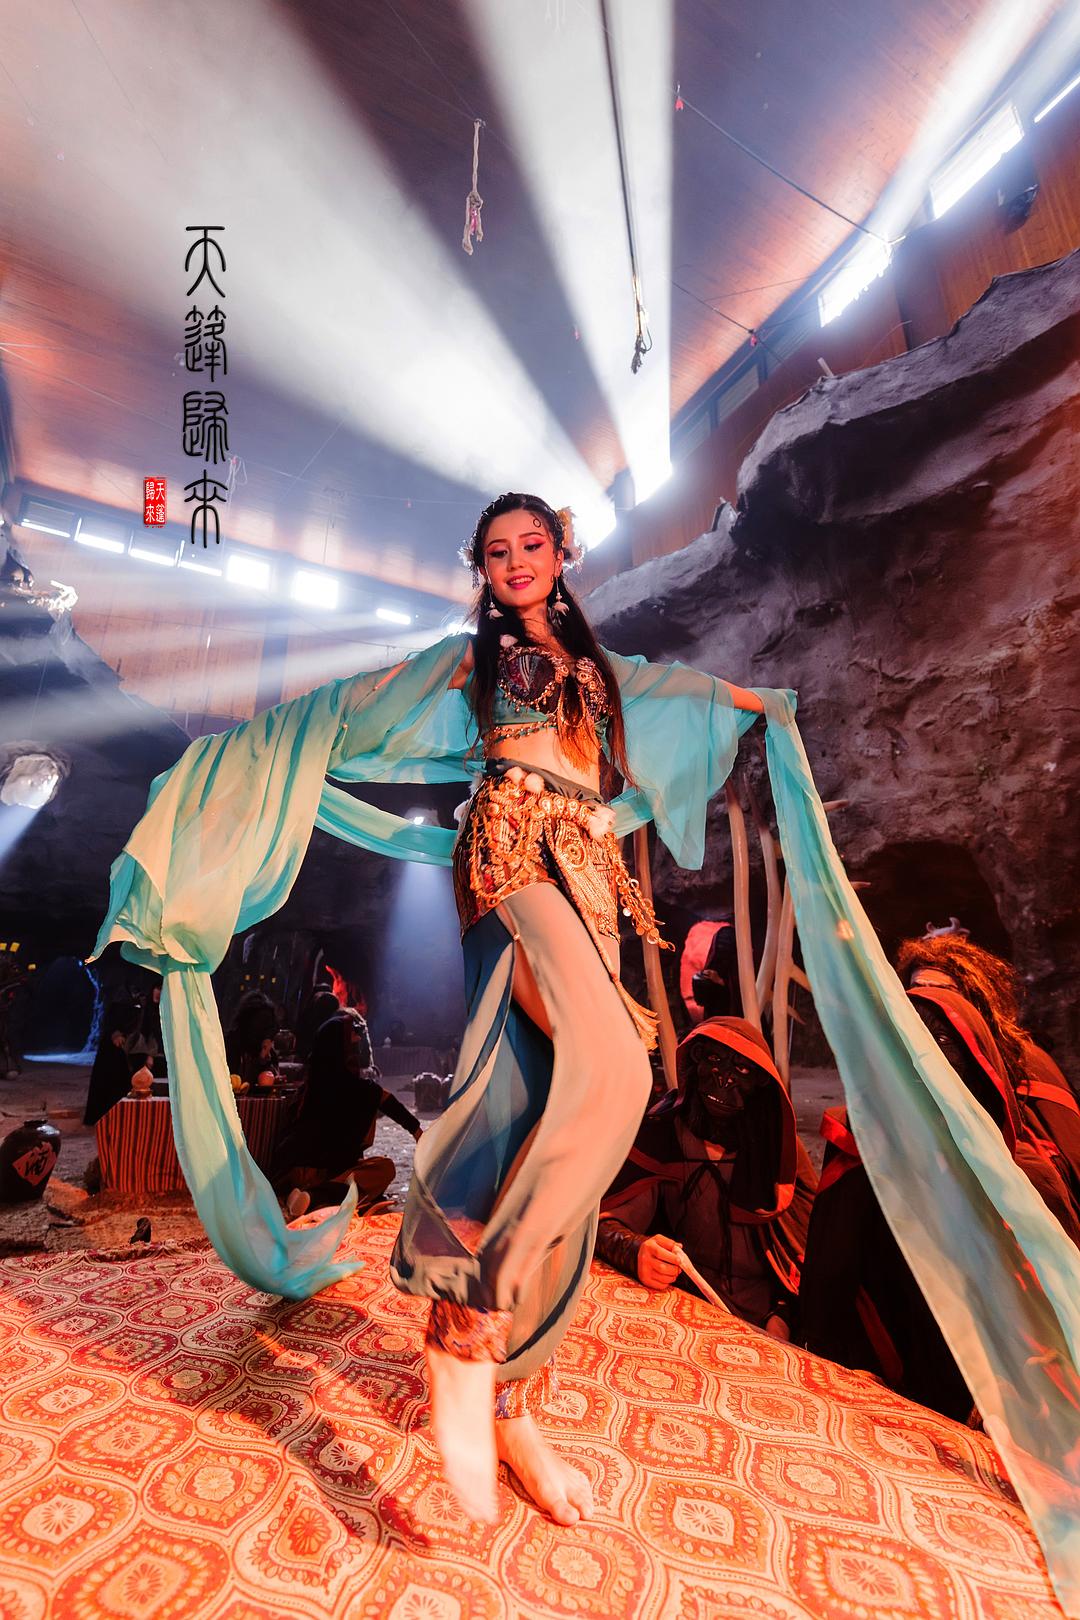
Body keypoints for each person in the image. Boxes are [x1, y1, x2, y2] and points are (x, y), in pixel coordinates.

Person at [91, 492, 1080, 1599]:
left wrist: (758, 701)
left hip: (594, 877)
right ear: (482, 568)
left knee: (558, 1111)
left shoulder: (604, 668)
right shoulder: (468, 663)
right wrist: (239, 750)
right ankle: (471, 1320)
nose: (516, 562)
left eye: (532, 545)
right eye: (497, 552)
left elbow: (675, 693)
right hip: (512, 853)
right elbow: (351, 705)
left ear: (562, 552)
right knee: (610, 1067)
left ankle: (514, 1399)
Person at [799, 984, 1079, 1419]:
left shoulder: (1024, 1184)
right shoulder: (859, 1170)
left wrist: (1023, 1392)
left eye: (942, 1038)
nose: (922, 1052)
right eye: (907, 1034)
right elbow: (828, 1298)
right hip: (882, 1403)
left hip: (995, 1411)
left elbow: (1058, 1315)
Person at [596, 1017, 816, 1336]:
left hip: (765, 1314)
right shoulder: (665, 1134)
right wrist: (636, 1251)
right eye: (714, 1059)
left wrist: (785, 1313)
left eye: (741, 1069)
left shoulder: (778, 1151)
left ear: (760, 1084)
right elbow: (602, 1222)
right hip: (683, 1300)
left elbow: (810, 1255)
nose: (723, 1079)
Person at [897, 932, 1080, 1210]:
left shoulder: (1024, 1059)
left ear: (974, 998)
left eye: (944, 990)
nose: (928, 998)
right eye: (918, 988)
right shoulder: (903, 1050)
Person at [275, 1009, 421, 1218]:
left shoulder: (311, 1086)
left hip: (296, 1173)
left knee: (363, 1172)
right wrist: (417, 1132)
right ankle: (316, 1197)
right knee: (384, 1169)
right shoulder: (360, 1089)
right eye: (353, 1036)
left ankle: (304, 1195)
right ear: (341, 1047)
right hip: (324, 1172)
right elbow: (389, 1102)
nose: (358, 1040)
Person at [83, 998, 141, 1125]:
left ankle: (123, 1118)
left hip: (131, 1044)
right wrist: (114, 1032)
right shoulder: (117, 1001)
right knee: (108, 1081)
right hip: (112, 1047)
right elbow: (110, 1018)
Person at [224, 990, 280, 1090]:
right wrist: (259, 1062)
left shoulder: (267, 1050)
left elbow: (270, 1079)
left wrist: (265, 1062)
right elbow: (238, 1083)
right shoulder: (231, 1044)